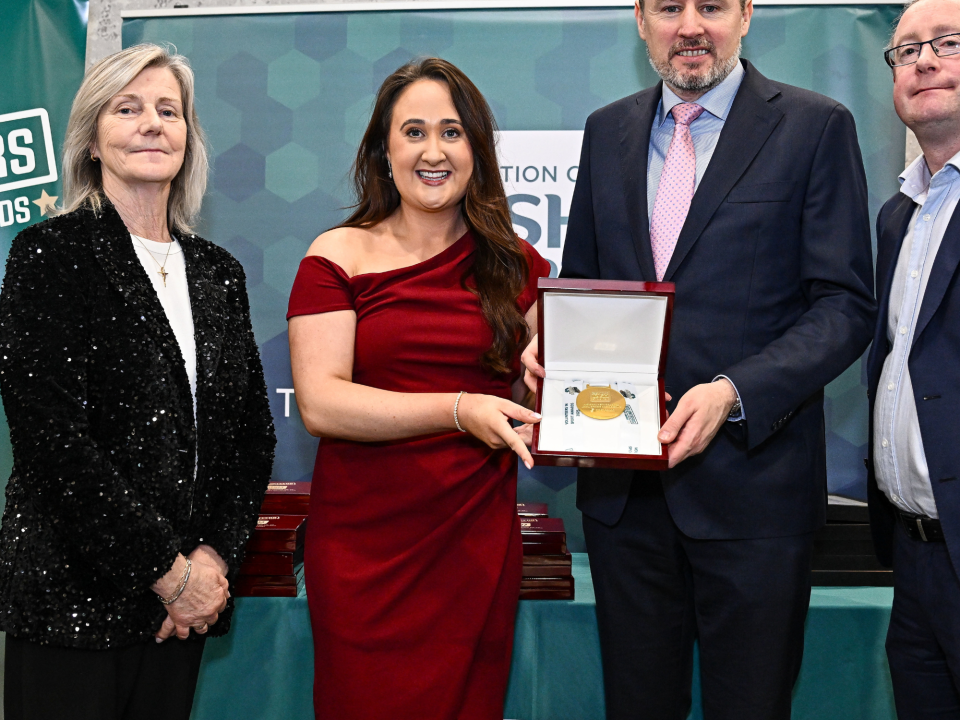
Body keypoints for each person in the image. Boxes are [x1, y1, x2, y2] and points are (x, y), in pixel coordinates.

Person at [522, 0, 877, 716]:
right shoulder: (607, 130)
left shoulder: (815, 126)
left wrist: (732, 392)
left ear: (746, 14)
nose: (690, 26)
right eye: (669, 7)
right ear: (639, 19)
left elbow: (844, 306)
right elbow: (587, 285)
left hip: (755, 494)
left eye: (711, 6)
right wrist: (553, 342)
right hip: (624, 500)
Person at [0, 44, 276, 720]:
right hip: (72, 606)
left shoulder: (218, 272)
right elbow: (53, 442)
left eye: (168, 111)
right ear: (93, 140)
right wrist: (167, 572)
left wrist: (210, 561)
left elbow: (252, 437)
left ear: (188, 138)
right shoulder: (49, 254)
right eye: (127, 109)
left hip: (179, 617)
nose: (152, 123)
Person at [287, 57, 549, 720]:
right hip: (362, 555)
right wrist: (459, 410)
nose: (434, 151)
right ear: (384, 151)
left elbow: (545, 400)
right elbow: (320, 403)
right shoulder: (335, 256)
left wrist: (559, 379)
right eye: (413, 132)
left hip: (472, 549)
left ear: (477, 149)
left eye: (452, 132)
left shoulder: (520, 267)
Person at [867, 1, 960, 716]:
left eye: (948, 43)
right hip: (916, 554)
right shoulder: (899, 215)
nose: (924, 60)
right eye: (907, 50)